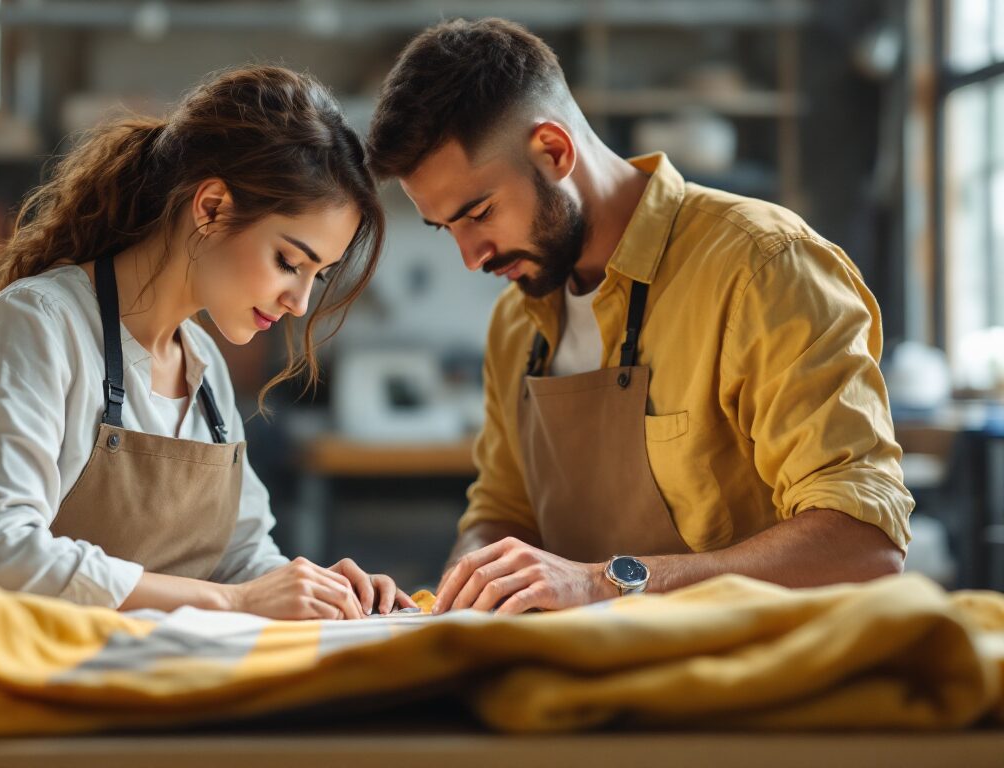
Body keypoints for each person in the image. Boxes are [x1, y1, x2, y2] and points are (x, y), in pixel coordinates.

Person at [366, 19, 913, 614]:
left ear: (553, 151)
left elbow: (866, 545)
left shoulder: (762, 267)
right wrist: (467, 584)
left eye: (479, 213)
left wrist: (606, 582)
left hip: (750, 683)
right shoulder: (517, 325)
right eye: (446, 228)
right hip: (586, 685)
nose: (470, 258)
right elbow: (503, 514)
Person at [0, 66, 413, 619]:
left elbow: (240, 559)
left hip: (138, 680)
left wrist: (320, 592)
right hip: (1, 681)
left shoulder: (204, 369)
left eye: (318, 275)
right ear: (211, 208)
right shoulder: (39, 325)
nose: (299, 302)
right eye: (289, 262)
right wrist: (231, 600)